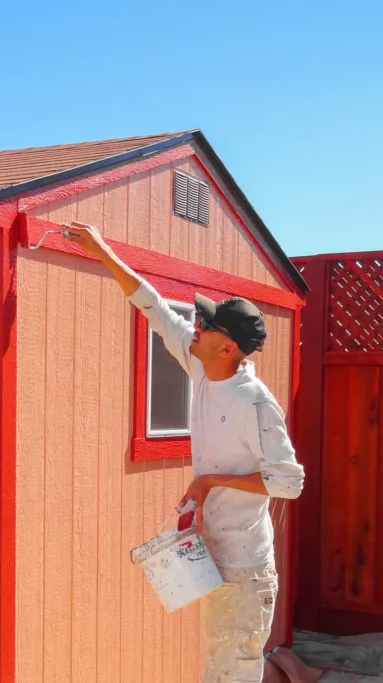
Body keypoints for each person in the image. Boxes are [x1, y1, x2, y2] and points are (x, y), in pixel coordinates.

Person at [63, 221, 305, 683]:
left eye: (207, 326)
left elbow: (289, 483)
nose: (196, 327)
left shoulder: (254, 401)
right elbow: (152, 306)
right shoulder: (201, 367)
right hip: (214, 556)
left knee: (231, 675)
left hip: (247, 567)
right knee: (216, 673)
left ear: (228, 347)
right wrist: (101, 250)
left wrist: (210, 481)